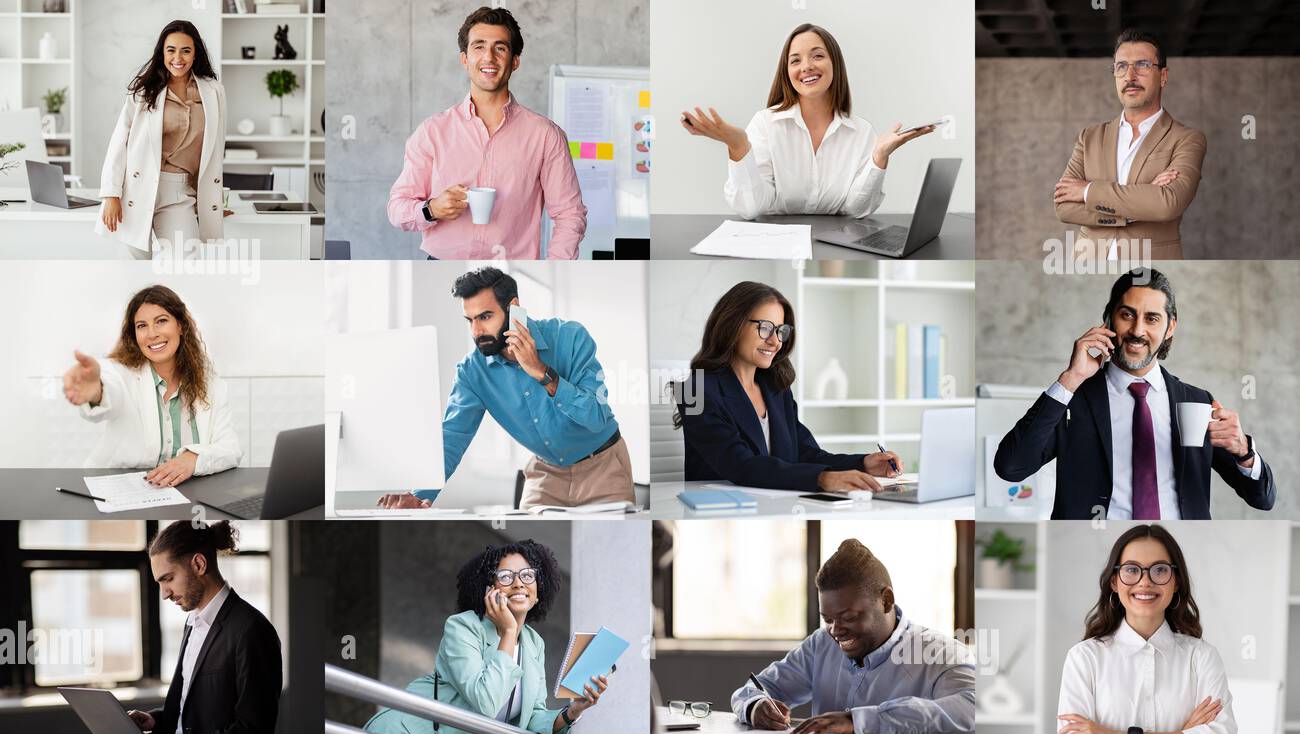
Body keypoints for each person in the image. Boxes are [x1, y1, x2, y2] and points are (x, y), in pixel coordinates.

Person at [994, 268, 1273, 519]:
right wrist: (1071, 378)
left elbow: (1263, 499)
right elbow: (1011, 467)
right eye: (1127, 315)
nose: (1137, 330)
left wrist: (1244, 452)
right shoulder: (1073, 399)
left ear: (1170, 327)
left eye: (1152, 318)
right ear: (1109, 319)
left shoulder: (1197, 402)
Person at [376, 267, 633, 510]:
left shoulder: (571, 337)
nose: (476, 331)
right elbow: (452, 437)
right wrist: (419, 496)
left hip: (603, 466)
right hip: (546, 474)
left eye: (485, 317)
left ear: (513, 309)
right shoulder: (471, 372)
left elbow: (597, 417)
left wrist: (541, 372)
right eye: (470, 320)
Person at [360, 540, 608, 734]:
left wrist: (572, 711)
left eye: (527, 575)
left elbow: (533, 716)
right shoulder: (463, 627)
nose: (518, 583)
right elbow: (486, 700)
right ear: (489, 590)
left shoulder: (534, 644)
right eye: (506, 576)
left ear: (538, 593)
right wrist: (509, 632)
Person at [387, 6, 587, 259]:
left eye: (500, 48)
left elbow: (570, 214)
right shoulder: (432, 132)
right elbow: (397, 207)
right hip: (441, 270)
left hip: (514, 272)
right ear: (464, 59)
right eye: (478, 46)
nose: (489, 57)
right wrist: (432, 209)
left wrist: (554, 271)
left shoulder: (546, 135)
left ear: (515, 61)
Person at [681, 22, 934, 220]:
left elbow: (857, 209)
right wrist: (738, 147)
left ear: (834, 63)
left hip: (836, 247)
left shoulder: (861, 131)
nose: (806, 67)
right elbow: (751, 208)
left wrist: (879, 156)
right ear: (786, 71)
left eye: (817, 56)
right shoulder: (765, 124)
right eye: (795, 60)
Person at [732, 539, 974, 734]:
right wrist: (755, 706)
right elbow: (755, 689)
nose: (836, 631)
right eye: (828, 619)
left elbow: (975, 708)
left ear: (886, 601)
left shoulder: (940, 652)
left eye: (848, 617)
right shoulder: (820, 645)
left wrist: (860, 720)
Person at [676, 280, 902, 493]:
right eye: (764, 327)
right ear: (732, 324)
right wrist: (821, 479)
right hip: (724, 507)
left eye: (780, 330)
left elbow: (806, 454)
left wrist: (863, 463)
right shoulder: (695, 391)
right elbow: (741, 465)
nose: (775, 341)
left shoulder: (776, 389)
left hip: (777, 504)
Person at [1057, 524, 1236, 734]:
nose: (1145, 581)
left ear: (1176, 582)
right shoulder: (1084, 658)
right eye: (1131, 570)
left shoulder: (1202, 657)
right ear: (1114, 582)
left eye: (1160, 570)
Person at [116, 521, 282, 734]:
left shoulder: (252, 630)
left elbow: (253, 731)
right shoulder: (193, 623)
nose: (164, 594)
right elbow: (197, 709)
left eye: (168, 579)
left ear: (198, 564)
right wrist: (155, 721)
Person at [61, 284, 241, 486]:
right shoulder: (120, 373)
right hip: (122, 492)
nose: (152, 334)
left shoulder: (210, 384)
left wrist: (193, 458)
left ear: (180, 326)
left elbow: (231, 449)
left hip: (187, 497)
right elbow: (110, 388)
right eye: (141, 326)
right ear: (134, 335)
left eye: (161, 321)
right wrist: (97, 392)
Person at [1053, 29, 1206, 261]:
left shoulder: (1187, 139)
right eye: (1121, 66)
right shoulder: (1089, 137)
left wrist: (1087, 191)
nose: (1130, 75)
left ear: (1163, 76)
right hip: (1086, 269)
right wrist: (1137, 207)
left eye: (1142, 64)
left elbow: (1166, 204)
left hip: (1150, 272)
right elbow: (1064, 207)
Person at [96, 20, 226, 259]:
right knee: (138, 271)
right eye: (171, 50)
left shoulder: (212, 91)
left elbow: (216, 150)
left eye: (186, 50)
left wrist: (212, 199)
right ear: (162, 52)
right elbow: (119, 142)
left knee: (186, 263)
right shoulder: (144, 90)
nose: (178, 57)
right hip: (136, 189)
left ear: (196, 54)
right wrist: (111, 194)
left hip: (179, 192)